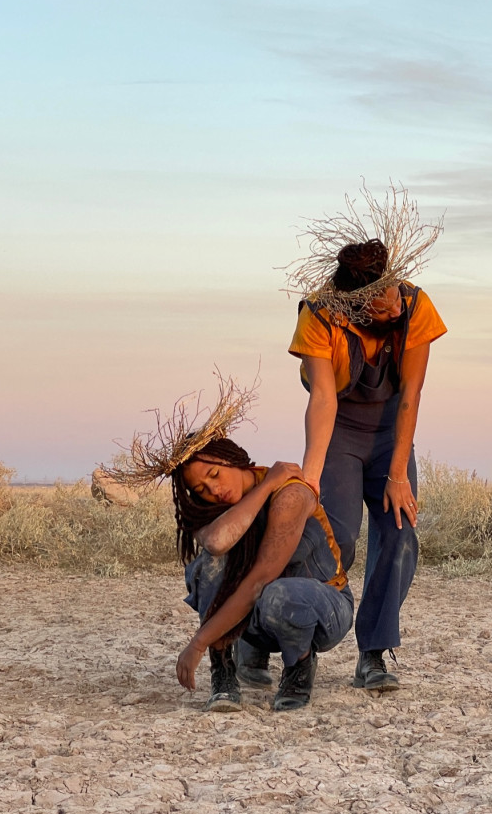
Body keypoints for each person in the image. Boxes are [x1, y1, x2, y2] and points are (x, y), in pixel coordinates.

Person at [282, 184, 447, 693]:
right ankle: (291, 643)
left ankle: (373, 653)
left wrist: (398, 474)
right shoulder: (319, 316)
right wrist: (310, 477)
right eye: (379, 302)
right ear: (352, 304)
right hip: (340, 434)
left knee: (399, 535)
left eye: (394, 291)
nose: (393, 306)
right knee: (334, 540)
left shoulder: (415, 306)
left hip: (391, 430)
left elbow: (413, 394)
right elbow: (323, 400)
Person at [106, 378, 354, 711]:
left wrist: (197, 642)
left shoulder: (290, 494)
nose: (213, 490)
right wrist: (260, 491)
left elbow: (261, 579)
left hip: (323, 609)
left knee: (278, 594)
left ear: (232, 458)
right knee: (207, 564)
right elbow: (217, 542)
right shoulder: (217, 508)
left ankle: (300, 665)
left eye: (214, 474)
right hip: (260, 611)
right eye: (201, 489)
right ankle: (224, 670)